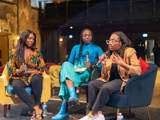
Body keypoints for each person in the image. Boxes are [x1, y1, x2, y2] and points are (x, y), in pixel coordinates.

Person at [80, 31, 142, 120]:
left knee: (105, 87)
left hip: (122, 80)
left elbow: (138, 71)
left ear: (120, 43)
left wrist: (122, 63)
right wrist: (104, 65)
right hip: (109, 80)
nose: (110, 43)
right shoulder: (110, 54)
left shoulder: (129, 51)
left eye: (113, 41)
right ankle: (96, 114)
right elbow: (105, 76)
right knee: (92, 84)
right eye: (109, 41)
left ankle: (92, 114)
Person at [52, 28, 103, 120]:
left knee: (66, 81)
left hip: (87, 74)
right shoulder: (76, 47)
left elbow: (102, 65)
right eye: (85, 35)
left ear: (92, 37)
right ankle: (72, 96)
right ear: (81, 37)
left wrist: (92, 65)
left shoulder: (97, 49)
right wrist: (76, 66)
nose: (87, 37)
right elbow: (69, 63)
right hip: (75, 71)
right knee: (65, 65)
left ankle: (64, 110)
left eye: (89, 35)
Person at [9, 30, 45, 120]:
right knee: (15, 85)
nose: (31, 41)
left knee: (37, 78)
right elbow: (11, 69)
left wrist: (29, 71)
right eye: (29, 38)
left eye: (33, 39)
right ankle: (37, 109)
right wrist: (19, 70)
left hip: (33, 76)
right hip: (19, 77)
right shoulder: (14, 52)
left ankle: (36, 111)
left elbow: (42, 68)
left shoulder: (37, 53)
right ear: (24, 38)